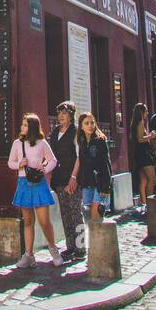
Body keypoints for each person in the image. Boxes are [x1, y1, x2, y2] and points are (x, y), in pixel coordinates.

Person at [8, 113, 61, 269]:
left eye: (25, 125)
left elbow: (53, 160)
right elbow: (10, 162)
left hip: (39, 183)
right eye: (22, 124)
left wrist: (44, 170)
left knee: (44, 221)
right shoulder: (17, 143)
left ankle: (54, 250)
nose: (22, 127)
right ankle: (29, 255)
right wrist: (19, 164)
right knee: (28, 221)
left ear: (31, 126)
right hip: (23, 182)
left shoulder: (42, 143)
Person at [49, 101, 86, 263]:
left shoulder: (76, 132)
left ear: (71, 115)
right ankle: (70, 245)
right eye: (59, 113)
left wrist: (74, 178)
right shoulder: (55, 132)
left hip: (72, 178)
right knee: (65, 214)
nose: (61, 116)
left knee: (75, 212)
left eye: (64, 113)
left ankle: (81, 247)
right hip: (59, 178)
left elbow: (80, 157)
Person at [77, 111, 112, 220]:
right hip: (86, 183)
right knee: (88, 218)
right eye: (86, 123)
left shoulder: (100, 141)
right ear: (81, 126)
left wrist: (105, 187)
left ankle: (100, 237)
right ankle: (92, 237)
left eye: (92, 122)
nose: (90, 126)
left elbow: (106, 163)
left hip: (99, 183)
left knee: (96, 215)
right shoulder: (81, 141)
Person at [131, 102, 156, 212]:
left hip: (138, 153)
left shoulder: (134, 123)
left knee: (143, 180)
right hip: (144, 153)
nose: (147, 113)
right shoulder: (140, 122)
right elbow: (140, 139)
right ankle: (150, 202)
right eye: (146, 111)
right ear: (141, 112)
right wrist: (151, 136)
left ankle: (143, 203)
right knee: (152, 178)